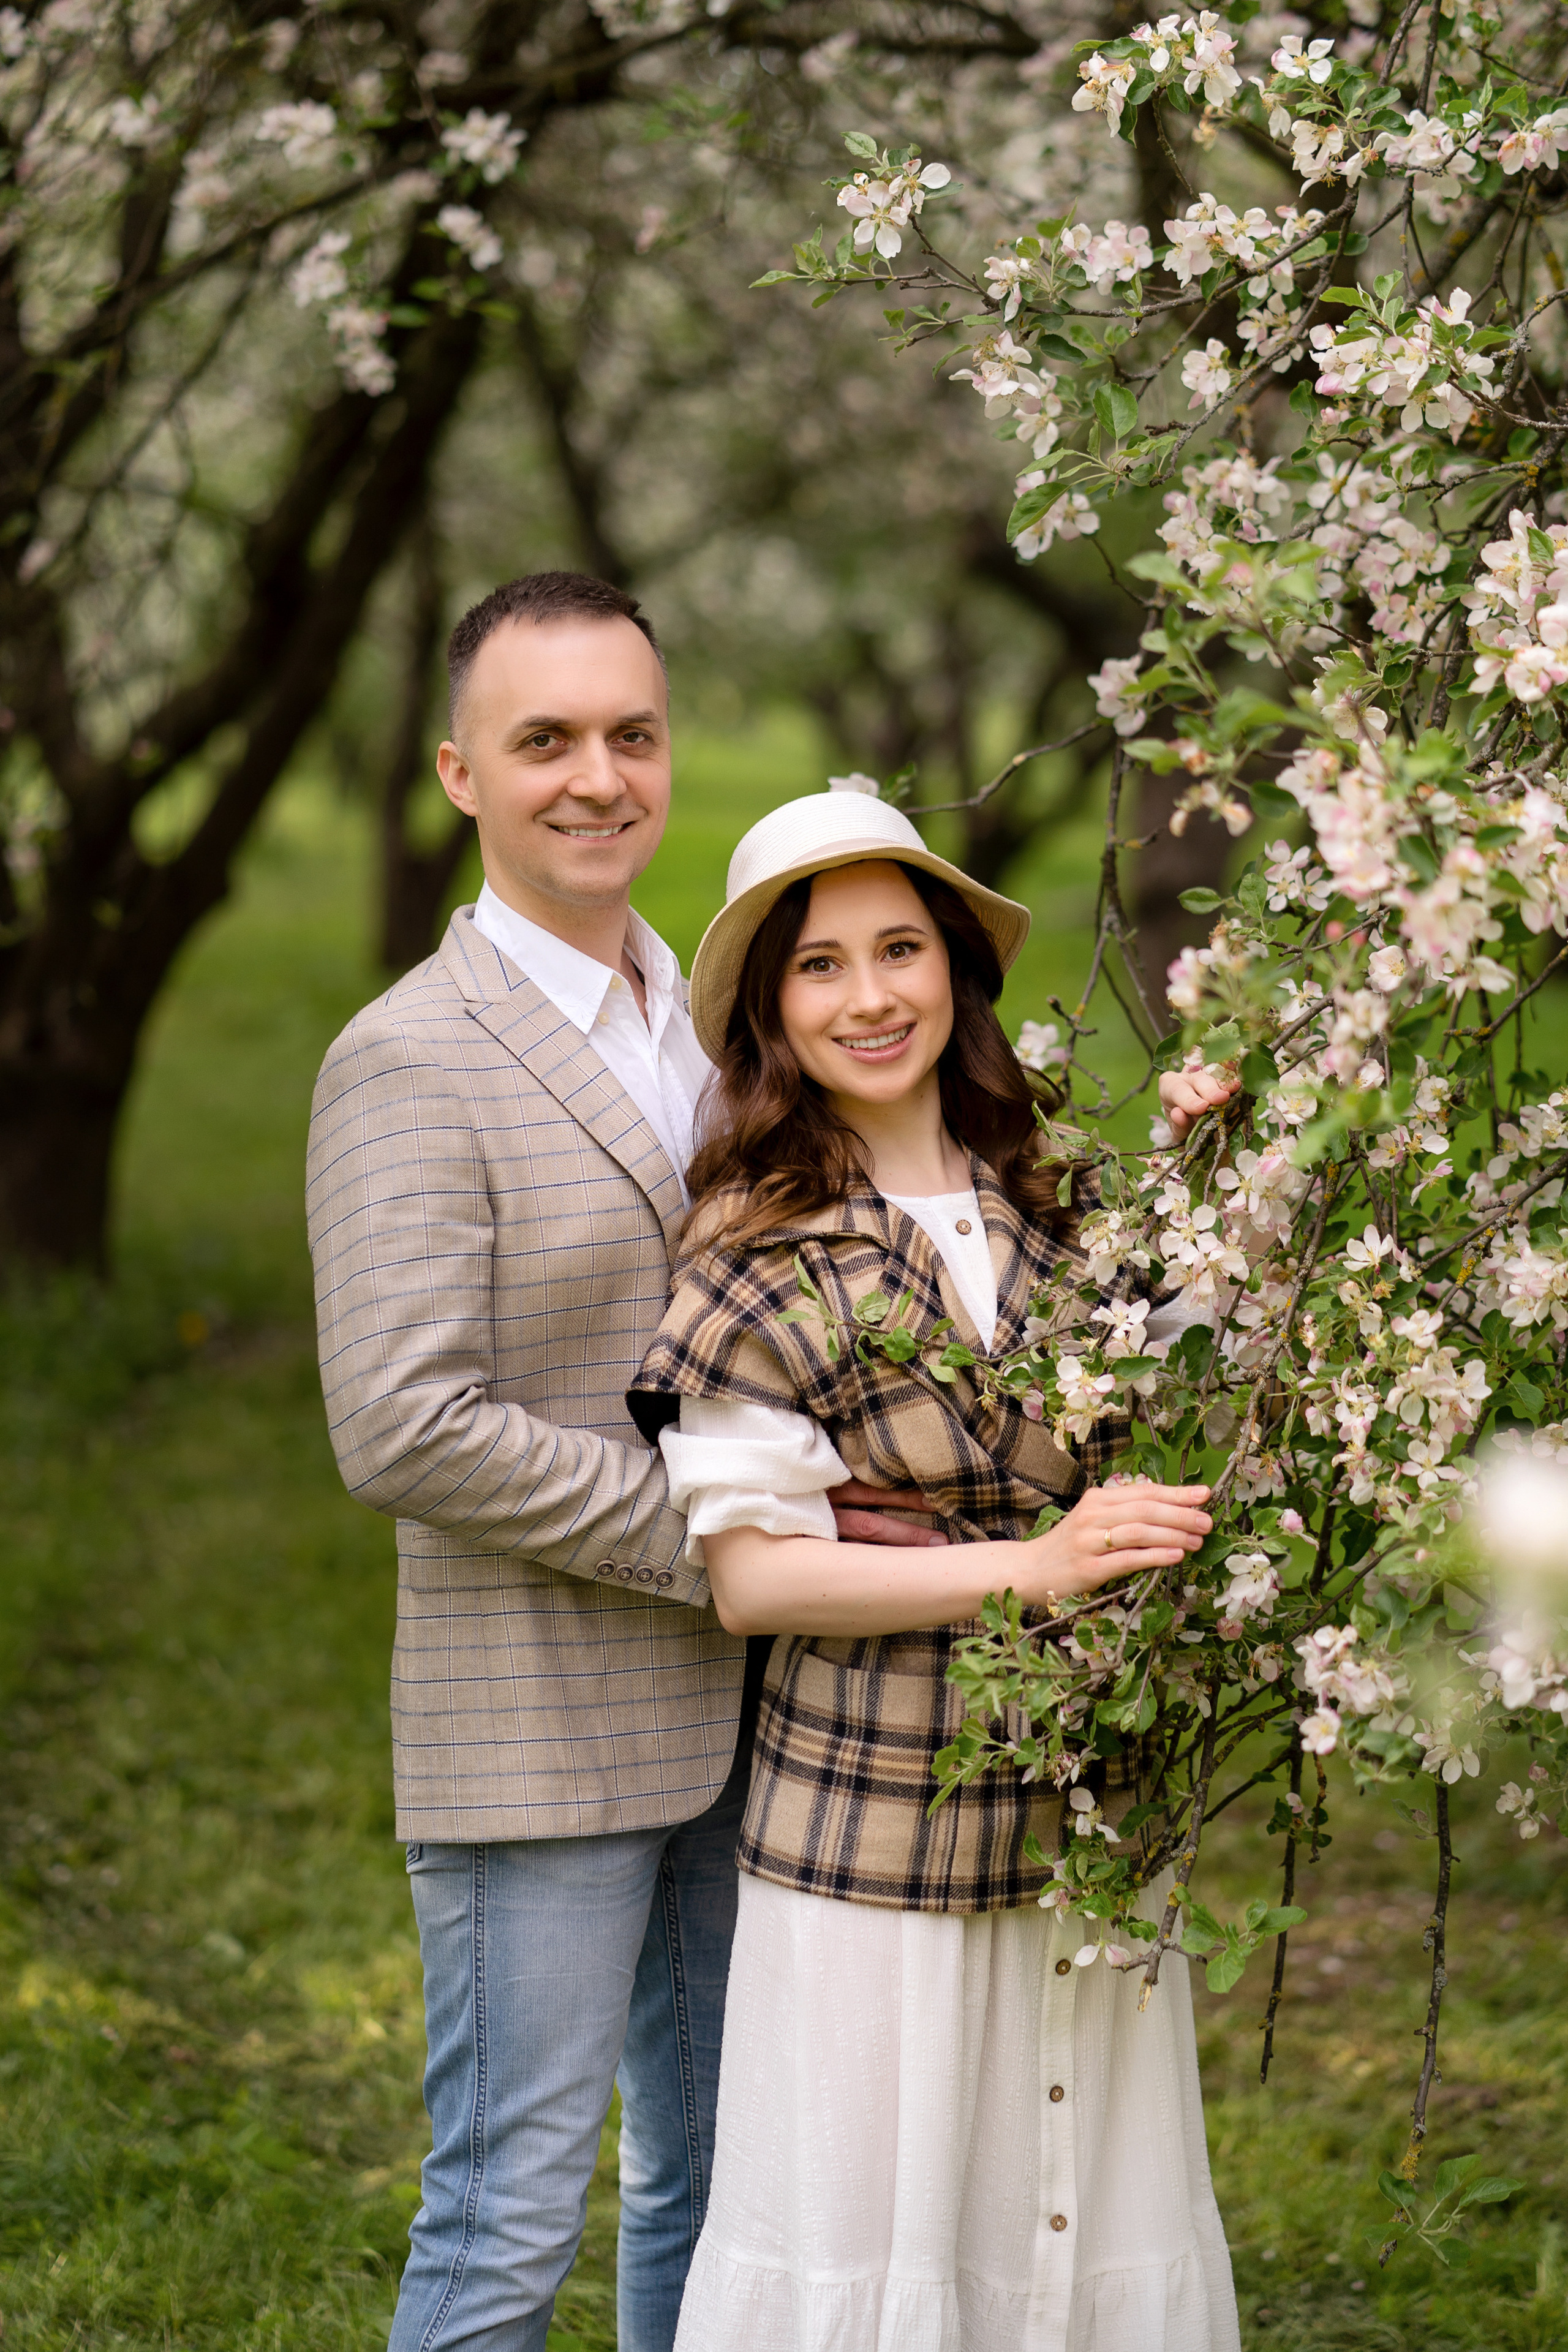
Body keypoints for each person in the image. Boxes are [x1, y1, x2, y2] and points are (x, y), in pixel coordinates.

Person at [304, 577, 940, 2352]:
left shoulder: (723, 1030)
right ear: (459, 773)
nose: (597, 777)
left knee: (721, 2192)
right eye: (546, 741)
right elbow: (403, 1421)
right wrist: (740, 1530)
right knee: (507, 2217)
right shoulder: (405, 1060)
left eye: (631, 735)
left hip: (763, 1722)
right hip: (537, 1727)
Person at [628, 785, 1243, 2352]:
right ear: (770, 1011)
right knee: (881, 2237)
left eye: (898, 949)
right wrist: (1035, 1567)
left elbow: (1190, 1373)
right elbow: (757, 1583)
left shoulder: (1057, 1193)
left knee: (1073, 2210)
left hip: (1084, 1801)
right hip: (872, 1817)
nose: (869, 997)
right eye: (818, 965)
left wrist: (1218, 1176)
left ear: (954, 969)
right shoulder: (755, 1247)